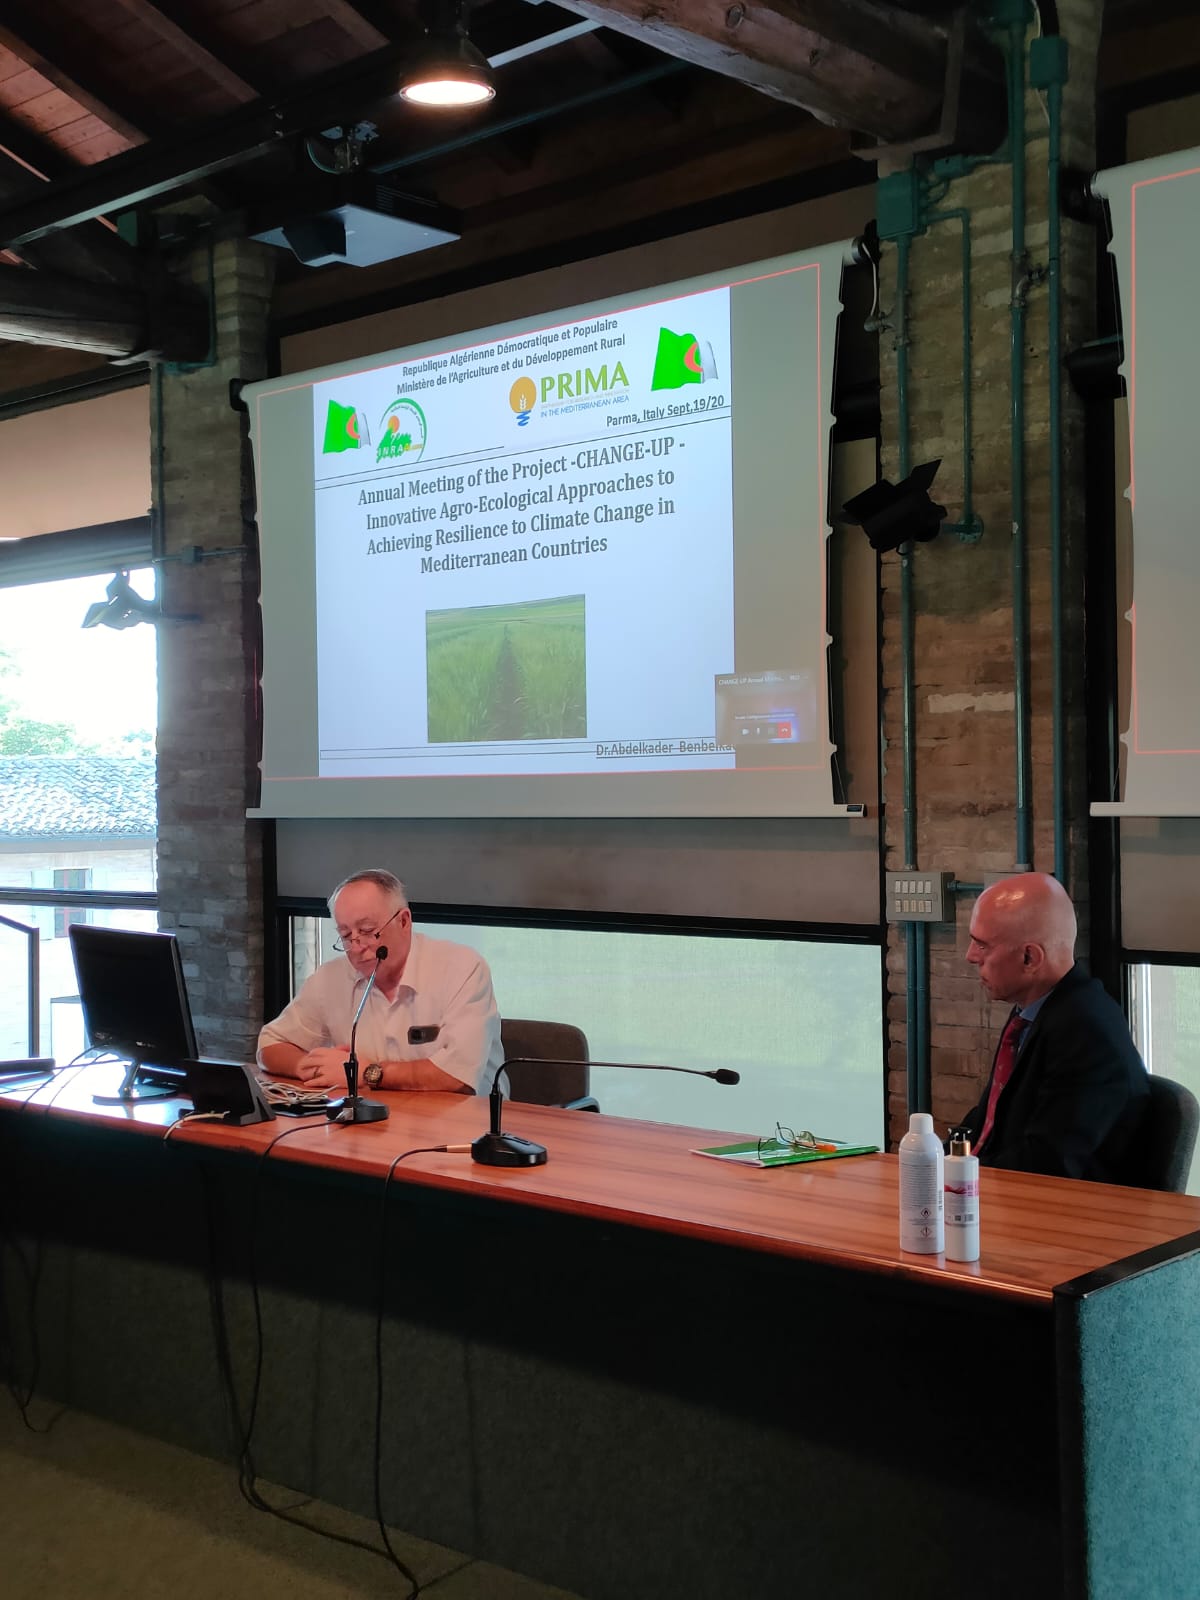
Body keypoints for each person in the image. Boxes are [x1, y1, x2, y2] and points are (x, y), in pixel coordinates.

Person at [959, 871, 1148, 1182]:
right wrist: (938, 1160)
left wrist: (957, 1178)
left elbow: (1046, 1163)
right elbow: (990, 1124)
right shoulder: (1034, 1012)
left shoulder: (1086, 1032)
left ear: (1030, 958)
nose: (970, 956)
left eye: (983, 946)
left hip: (1060, 1204)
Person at [257, 868, 504, 1096]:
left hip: (466, 1120)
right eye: (346, 935)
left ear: (404, 921)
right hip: (374, 1118)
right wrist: (308, 1066)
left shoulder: (462, 968)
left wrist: (366, 1073)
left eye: (367, 931)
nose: (357, 947)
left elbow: (457, 1077)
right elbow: (270, 1045)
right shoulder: (330, 979)